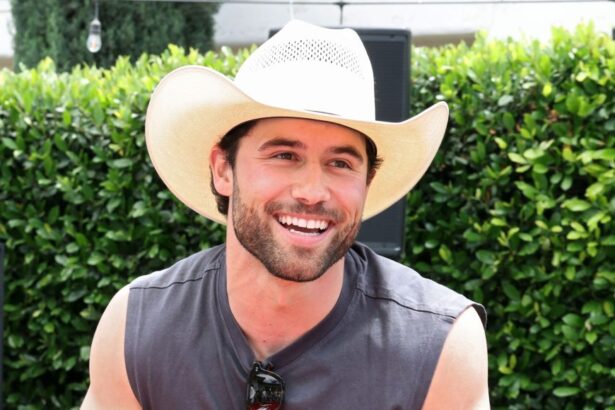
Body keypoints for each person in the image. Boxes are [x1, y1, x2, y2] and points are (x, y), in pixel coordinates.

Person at [82, 20, 489, 410]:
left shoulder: (437, 346)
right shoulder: (138, 327)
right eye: (283, 155)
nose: (312, 192)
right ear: (223, 169)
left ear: (367, 182)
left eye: (341, 163)